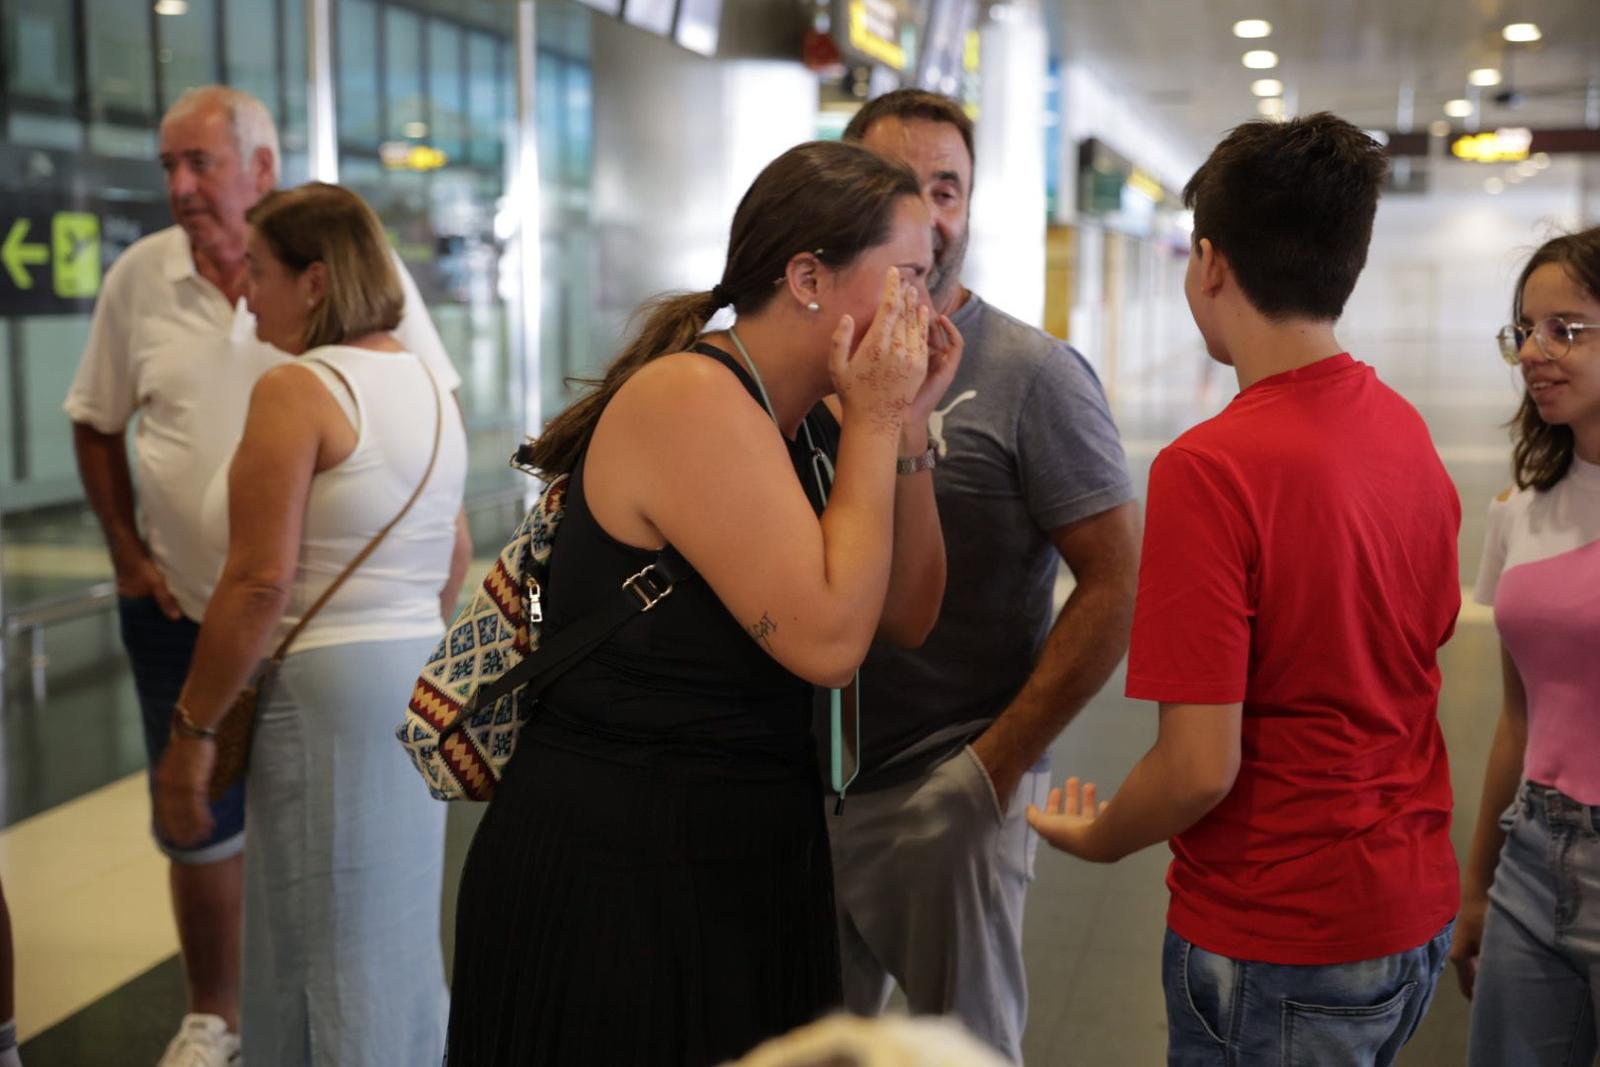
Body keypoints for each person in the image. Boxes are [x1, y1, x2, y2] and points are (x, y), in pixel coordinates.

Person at [445, 140, 961, 1067]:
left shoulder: (812, 413)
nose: (924, 307)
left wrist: (907, 428)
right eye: (910, 278)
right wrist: (878, 421)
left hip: (739, 844)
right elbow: (829, 643)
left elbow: (908, 613)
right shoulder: (691, 398)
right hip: (623, 865)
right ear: (808, 276)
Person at [1027, 113, 1461, 1066]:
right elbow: (1419, 646)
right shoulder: (1405, 433)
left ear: (1210, 264)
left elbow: (1196, 767)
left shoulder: (1211, 469)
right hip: (1410, 911)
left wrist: (1096, 838)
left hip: (1279, 939)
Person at [62, 86, 466, 1066]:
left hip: (304, 673)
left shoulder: (300, 386)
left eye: (263, 275)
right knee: (379, 929)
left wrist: (193, 734)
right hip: (401, 670)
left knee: (323, 934)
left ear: (316, 280)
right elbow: (449, 547)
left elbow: (256, 583)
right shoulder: (415, 378)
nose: (247, 297)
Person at [826, 89, 1138, 1060]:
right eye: (896, 185)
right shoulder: (806, 362)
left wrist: (989, 770)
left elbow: (1115, 583)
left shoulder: (1030, 374)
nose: (926, 212)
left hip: (947, 790)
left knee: (959, 1048)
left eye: (946, 188)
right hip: (803, 785)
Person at [1454, 228, 1600, 1065]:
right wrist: (1476, 886)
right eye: (1525, 331)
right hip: (1533, 859)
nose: (1535, 353)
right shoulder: (1519, 511)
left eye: (1566, 329)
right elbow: (1517, 717)